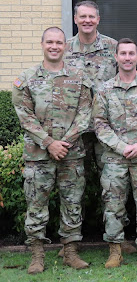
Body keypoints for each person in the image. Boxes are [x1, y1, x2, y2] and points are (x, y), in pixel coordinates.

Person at [13, 27, 92, 274]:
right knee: (36, 204)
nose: (54, 46)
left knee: (72, 203)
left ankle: (70, 252)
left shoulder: (79, 78)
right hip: (38, 156)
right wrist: (49, 142)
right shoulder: (27, 79)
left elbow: (85, 113)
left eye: (59, 42)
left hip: (71, 153)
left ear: (65, 46)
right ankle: (37, 255)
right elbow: (24, 116)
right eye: (50, 42)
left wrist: (64, 142)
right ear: (42, 44)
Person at [64, 1, 137, 255]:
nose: (87, 20)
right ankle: (71, 241)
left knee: (114, 185)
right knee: (74, 185)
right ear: (75, 19)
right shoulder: (64, 50)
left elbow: (127, 80)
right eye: (82, 16)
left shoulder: (113, 47)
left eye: (91, 16)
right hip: (76, 130)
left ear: (98, 19)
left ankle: (119, 239)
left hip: (110, 130)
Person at [93, 38, 137, 268]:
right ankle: (115, 251)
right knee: (113, 205)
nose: (127, 58)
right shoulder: (104, 89)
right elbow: (100, 124)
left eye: (131, 53)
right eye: (122, 53)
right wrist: (121, 146)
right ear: (116, 57)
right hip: (115, 158)